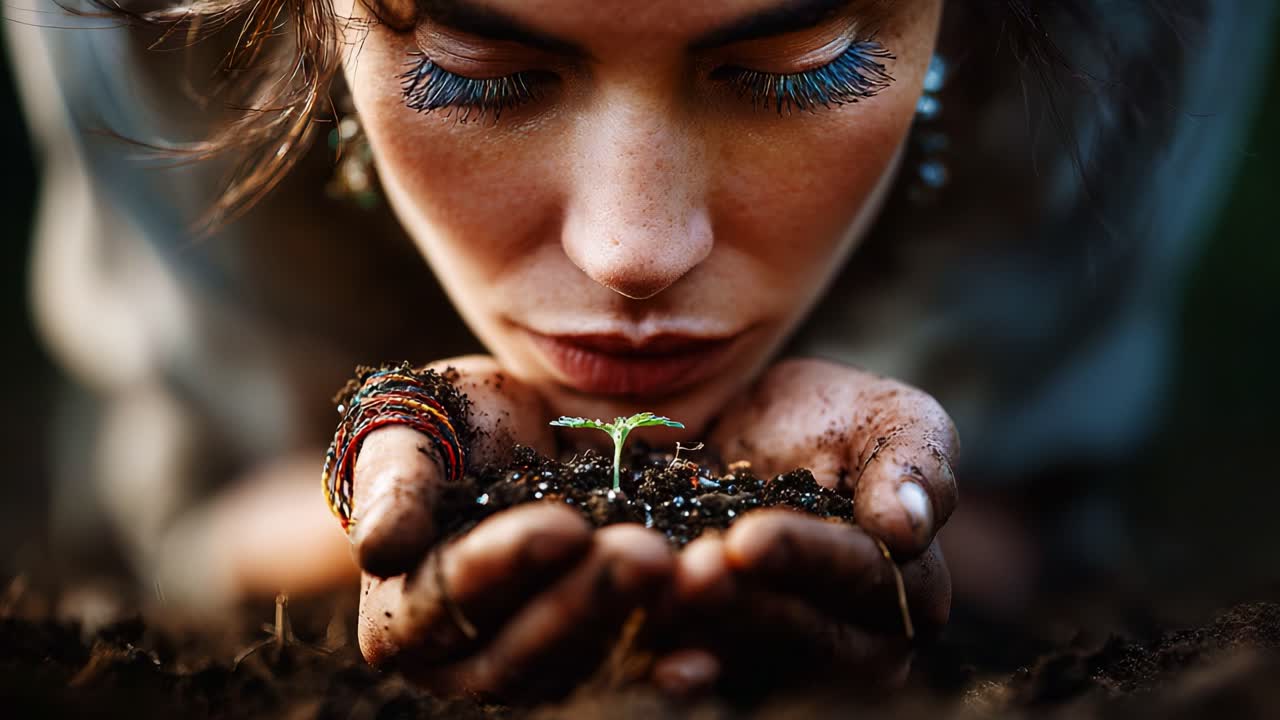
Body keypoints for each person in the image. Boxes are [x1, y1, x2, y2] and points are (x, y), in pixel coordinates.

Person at [8, 0, 1273, 699]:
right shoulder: (137, 24)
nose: (632, 250)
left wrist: (912, 528)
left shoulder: (1121, 34)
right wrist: (387, 490)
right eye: (475, 61)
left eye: (794, 59)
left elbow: (1035, 486)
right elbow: (175, 524)